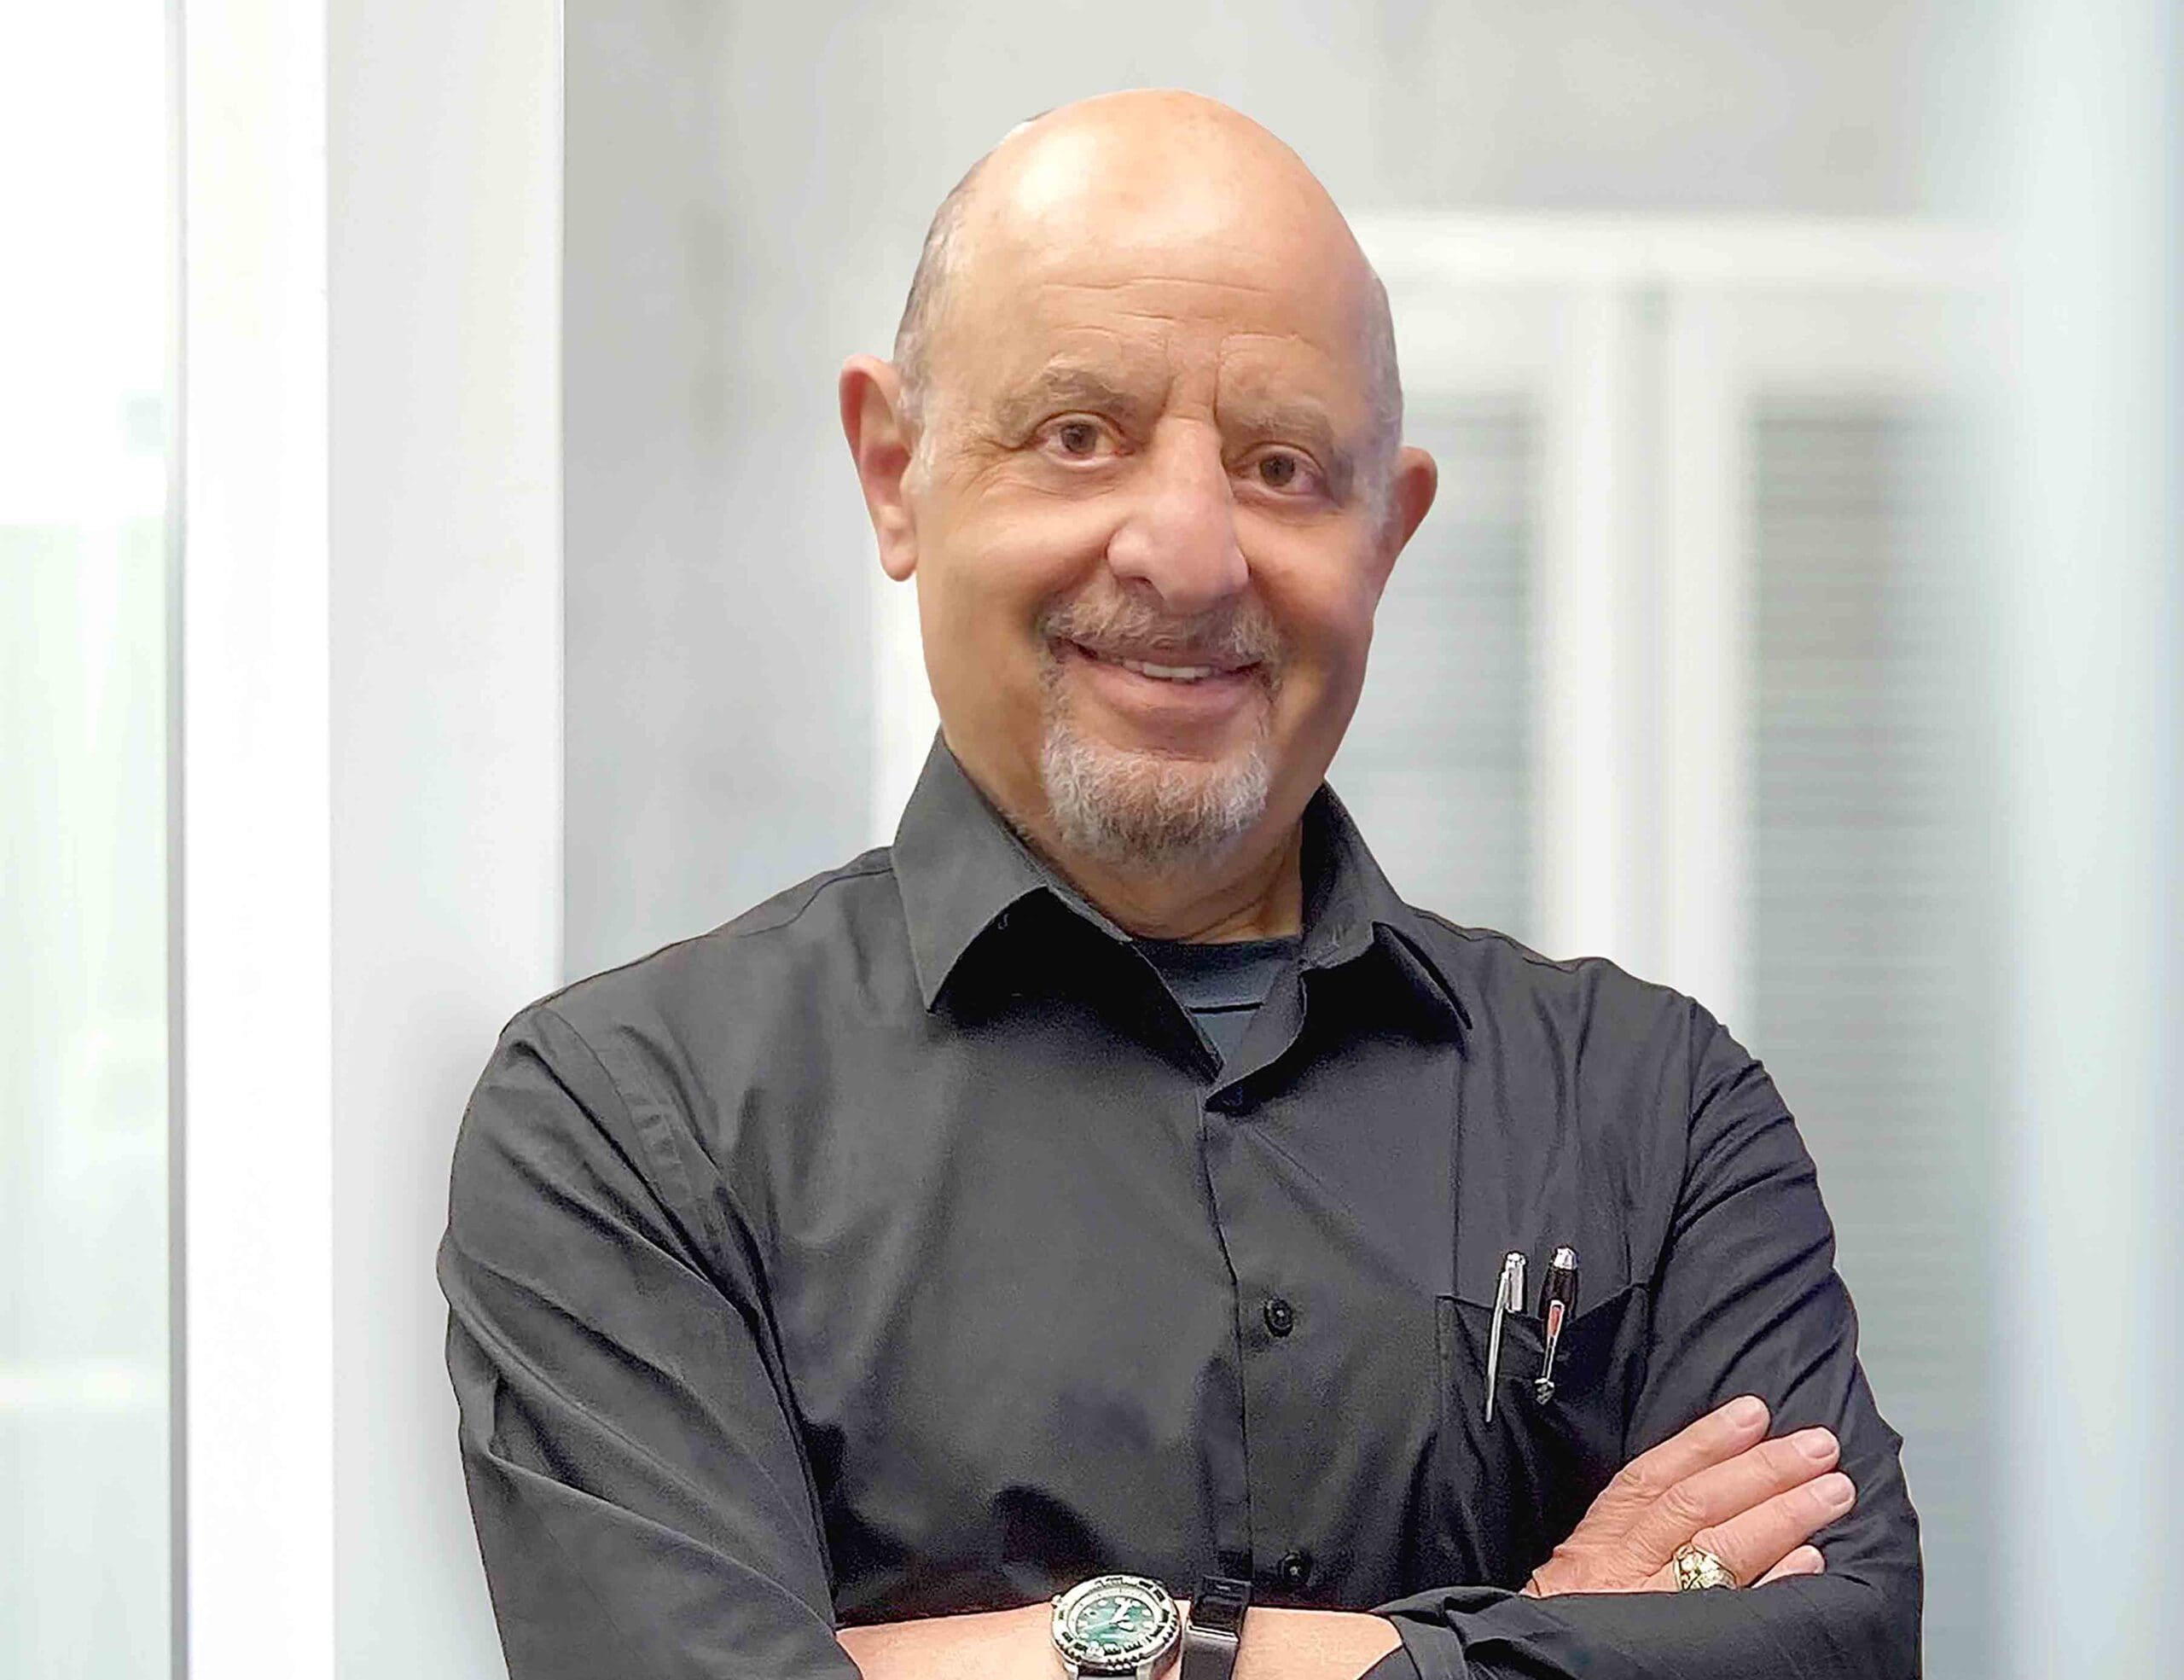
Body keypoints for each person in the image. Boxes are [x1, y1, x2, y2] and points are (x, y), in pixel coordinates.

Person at [439, 90, 1921, 1680]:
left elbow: (1834, 1644)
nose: (1191, 553)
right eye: (1079, 435)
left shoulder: (1650, 1112)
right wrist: (1535, 1635)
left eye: (1283, 465)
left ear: (1388, 533)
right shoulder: (632, 1127)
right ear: (893, 470)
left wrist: (986, 1658)